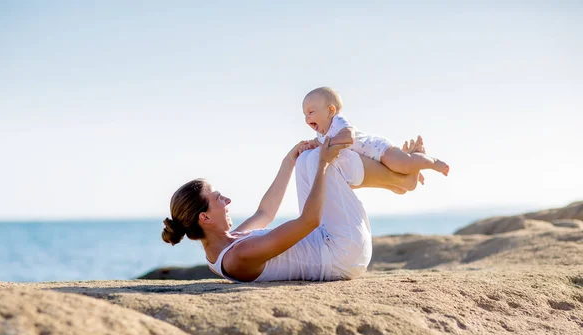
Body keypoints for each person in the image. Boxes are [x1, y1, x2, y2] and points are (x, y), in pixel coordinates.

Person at [162, 137, 423, 283]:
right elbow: (309, 221)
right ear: (205, 217)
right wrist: (322, 165)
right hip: (343, 255)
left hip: (330, 243)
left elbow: (264, 213)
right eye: (219, 199)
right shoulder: (239, 255)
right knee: (320, 160)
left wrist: (289, 161)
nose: (227, 201)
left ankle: (398, 181)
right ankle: (402, 179)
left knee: (306, 159)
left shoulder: (228, 244)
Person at [302, 87, 450, 189]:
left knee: (405, 163)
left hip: (378, 149)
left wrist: (328, 144)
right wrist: (312, 144)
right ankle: (414, 170)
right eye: (305, 114)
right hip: (368, 158)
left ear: (330, 110)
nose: (307, 118)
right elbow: (320, 143)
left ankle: (431, 162)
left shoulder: (338, 121)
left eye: (310, 112)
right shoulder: (321, 134)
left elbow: (348, 137)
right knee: (400, 182)